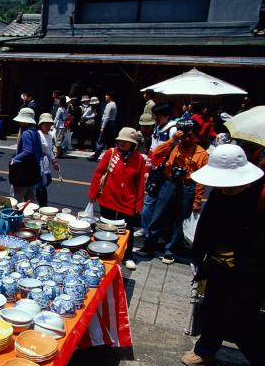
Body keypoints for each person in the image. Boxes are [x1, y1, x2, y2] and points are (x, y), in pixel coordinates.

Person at [181, 144, 265, 366]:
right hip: (218, 262)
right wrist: (199, 257)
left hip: (251, 267)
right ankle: (206, 350)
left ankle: (261, 361)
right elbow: (207, 225)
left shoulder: (260, 195)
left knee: (242, 317)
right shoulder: (220, 192)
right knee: (212, 307)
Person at [139, 120, 209, 264]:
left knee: (179, 219)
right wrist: (173, 140)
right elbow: (156, 153)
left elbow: (201, 179)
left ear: (195, 136)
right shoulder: (174, 146)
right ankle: (149, 245)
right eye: (184, 135)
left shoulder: (202, 154)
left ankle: (170, 250)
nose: (187, 139)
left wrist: (197, 200)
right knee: (158, 215)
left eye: (190, 135)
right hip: (169, 183)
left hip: (187, 186)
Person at [88, 128, 146, 270]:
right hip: (108, 197)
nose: (122, 143)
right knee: (104, 227)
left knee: (127, 230)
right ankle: (102, 252)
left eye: (126, 142)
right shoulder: (111, 153)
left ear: (133, 143)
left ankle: (127, 255)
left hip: (128, 201)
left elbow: (140, 184)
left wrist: (138, 206)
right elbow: (98, 173)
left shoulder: (139, 159)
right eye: (121, 141)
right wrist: (93, 194)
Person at [135, 103, 179, 238]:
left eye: (158, 115)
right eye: (155, 115)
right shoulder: (158, 128)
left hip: (165, 172)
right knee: (150, 201)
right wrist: (147, 169)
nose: (156, 118)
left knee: (155, 203)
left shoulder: (172, 131)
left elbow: (175, 152)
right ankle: (147, 229)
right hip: (155, 170)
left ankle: (150, 232)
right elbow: (152, 151)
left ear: (166, 115)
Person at [10, 108, 43, 202]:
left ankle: (17, 215)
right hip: (34, 168)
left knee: (17, 198)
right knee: (31, 197)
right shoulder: (35, 132)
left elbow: (27, 151)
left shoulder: (26, 133)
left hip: (24, 170)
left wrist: (15, 159)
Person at [36, 113, 59, 207]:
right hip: (38, 161)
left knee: (47, 180)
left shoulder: (49, 135)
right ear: (41, 124)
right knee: (40, 185)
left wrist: (54, 161)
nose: (49, 126)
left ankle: (41, 203)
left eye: (50, 124)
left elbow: (49, 150)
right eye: (46, 124)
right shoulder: (38, 134)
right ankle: (42, 205)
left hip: (46, 162)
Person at [91, 91, 117, 161]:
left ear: (110, 97)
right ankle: (112, 157)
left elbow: (107, 117)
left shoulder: (109, 105)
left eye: (106, 95)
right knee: (110, 142)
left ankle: (95, 155)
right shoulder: (114, 104)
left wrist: (103, 127)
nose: (105, 96)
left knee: (101, 140)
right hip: (112, 124)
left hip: (107, 124)